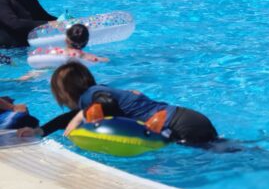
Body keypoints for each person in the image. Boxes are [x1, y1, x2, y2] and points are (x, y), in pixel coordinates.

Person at [22, 63, 218, 145]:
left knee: (225, 155)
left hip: (181, 125)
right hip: (187, 118)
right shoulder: (97, 91)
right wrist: (40, 131)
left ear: (64, 92)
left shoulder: (94, 96)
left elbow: (106, 105)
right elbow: (67, 118)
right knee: (225, 149)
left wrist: (81, 117)